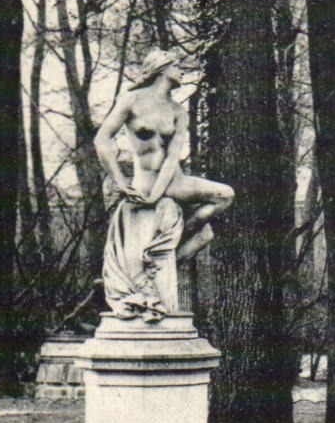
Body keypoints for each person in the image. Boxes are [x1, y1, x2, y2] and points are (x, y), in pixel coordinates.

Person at [94, 48, 233, 265]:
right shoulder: (132, 100)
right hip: (145, 180)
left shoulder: (178, 112)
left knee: (219, 208)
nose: (181, 71)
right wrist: (120, 181)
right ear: (161, 68)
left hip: (172, 182)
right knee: (214, 215)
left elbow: (172, 158)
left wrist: (156, 196)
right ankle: (154, 261)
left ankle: (160, 258)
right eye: (176, 66)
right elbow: (101, 139)